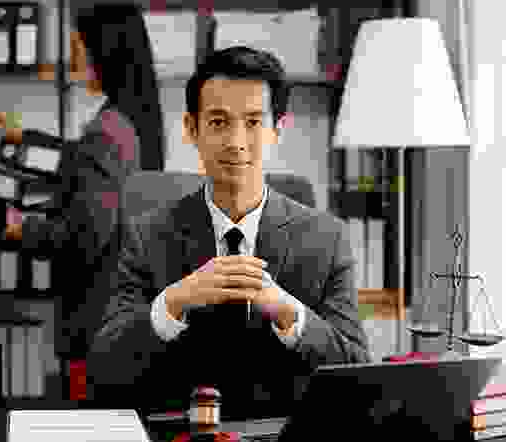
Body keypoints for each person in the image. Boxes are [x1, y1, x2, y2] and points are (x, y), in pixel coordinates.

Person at [87, 46, 372, 418]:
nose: (236, 142)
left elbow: (357, 372)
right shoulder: (147, 235)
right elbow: (105, 369)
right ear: (192, 129)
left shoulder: (327, 238)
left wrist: (289, 313)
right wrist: (173, 302)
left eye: (253, 122)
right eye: (219, 122)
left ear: (277, 129)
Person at [0, 4, 164, 392]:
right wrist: (27, 142)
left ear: (105, 54)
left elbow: (84, 237)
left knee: (86, 413)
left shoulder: (106, 132)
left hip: (93, 323)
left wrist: (23, 229)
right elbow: (88, 172)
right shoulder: (137, 123)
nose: (76, 61)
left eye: (81, 48)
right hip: (126, 316)